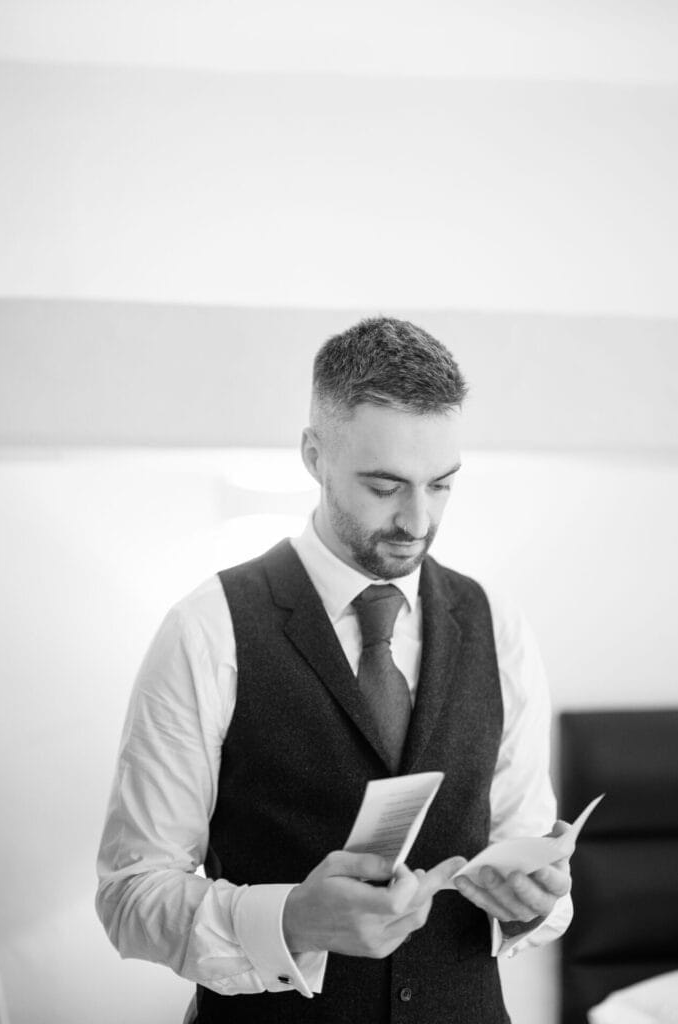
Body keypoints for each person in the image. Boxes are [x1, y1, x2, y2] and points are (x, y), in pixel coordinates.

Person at [96, 317, 573, 1024]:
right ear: (313, 456)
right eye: (385, 486)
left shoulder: (497, 625)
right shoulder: (206, 630)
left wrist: (537, 901)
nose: (417, 519)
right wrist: (291, 920)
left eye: (441, 485)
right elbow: (131, 894)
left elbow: (525, 846)